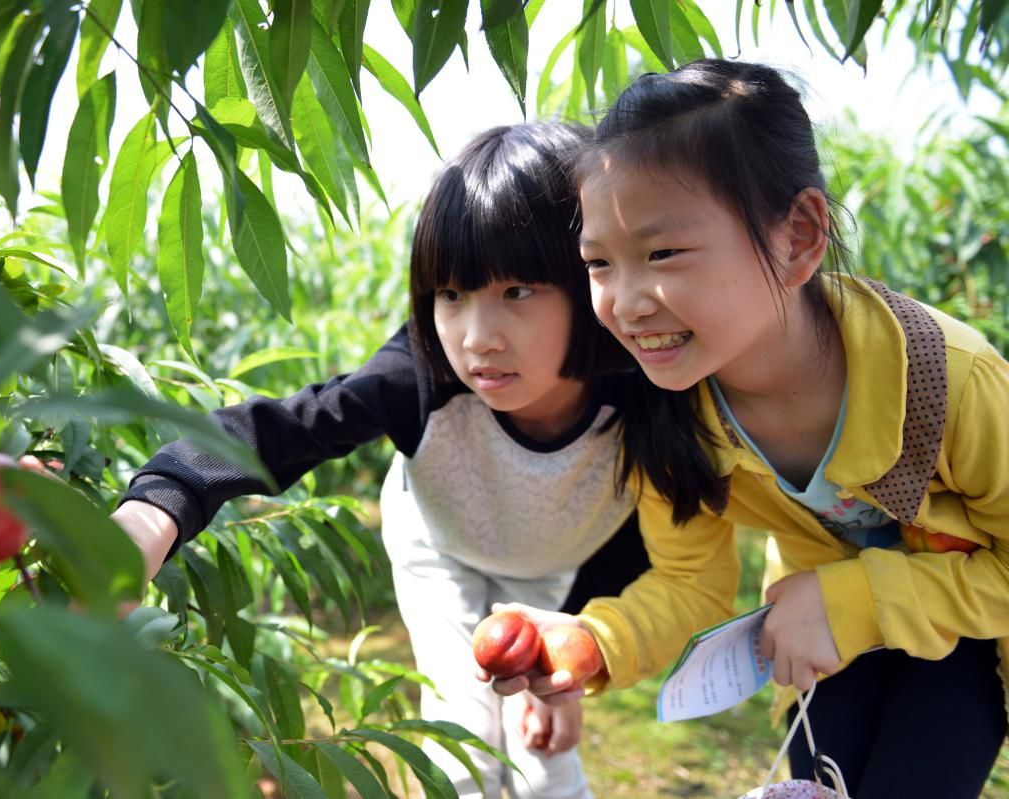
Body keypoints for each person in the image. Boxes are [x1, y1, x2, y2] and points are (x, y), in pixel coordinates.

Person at [109, 122, 705, 798]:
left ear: (589, 276)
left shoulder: (646, 395)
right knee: (464, 744)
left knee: (543, 749)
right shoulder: (421, 377)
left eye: (517, 292)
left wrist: (577, 653)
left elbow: (635, 541)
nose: (477, 339)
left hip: (555, 567)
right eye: (450, 295)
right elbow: (280, 430)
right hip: (440, 548)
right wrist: (153, 510)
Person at [488, 59, 1009, 798]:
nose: (627, 301)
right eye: (599, 263)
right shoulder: (677, 416)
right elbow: (689, 581)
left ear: (798, 236)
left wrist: (850, 599)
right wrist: (593, 642)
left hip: (969, 633)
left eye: (662, 252)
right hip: (817, 635)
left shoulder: (948, 383)